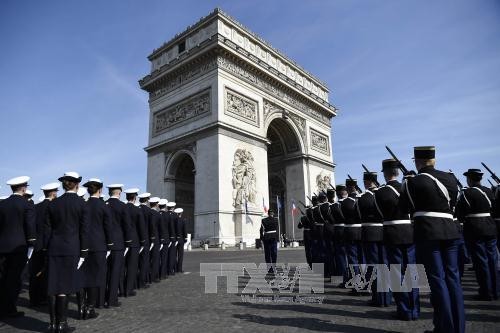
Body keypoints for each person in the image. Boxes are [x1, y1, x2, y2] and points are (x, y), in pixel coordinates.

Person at [400, 146, 464, 333]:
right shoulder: (450, 178)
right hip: (451, 232)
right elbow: (453, 203)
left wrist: (407, 184)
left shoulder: (413, 182)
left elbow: (404, 207)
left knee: (437, 280)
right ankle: (458, 327)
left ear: (417, 162)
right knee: (453, 279)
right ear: (433, 160)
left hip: (428, 233)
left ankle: (445, 328)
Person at [45, 171, 89, 332]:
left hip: (54, 247)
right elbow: (84, 231)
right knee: (63, 286)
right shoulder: (81, 204)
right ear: (77, 184)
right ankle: (61, 324)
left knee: (53, 285)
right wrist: (84, 252)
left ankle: (52, 324)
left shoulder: (53, 204)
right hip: (72, 248)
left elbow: (47, 231)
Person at [376, 159, 419, 318]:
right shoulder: (408, 187)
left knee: (396, 272)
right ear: (398, 172)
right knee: (412, 270)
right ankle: (414, 309)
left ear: (385, 174)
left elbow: (381, 214)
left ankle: (404, 309)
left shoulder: (380, 192)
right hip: (409, 231)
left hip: (392, 232)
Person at [456, 168, 498, 300]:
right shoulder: (488, 191)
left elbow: (460, 213)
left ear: (470, 179)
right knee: (492, 260)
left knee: (481, 261)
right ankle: (495, 290)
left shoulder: (466, 193)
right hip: (490, 226)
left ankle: (486, 292)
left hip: (475, 228)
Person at [0, 176, 36, 318]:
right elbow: (30, 227)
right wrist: (32, 243)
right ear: (23, 188)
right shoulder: (26, 204)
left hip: (3, 246)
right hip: (19, 247)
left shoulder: (3, 204)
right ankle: (10, 308)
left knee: (3, 278)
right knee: (15, 279)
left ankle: (3, 306)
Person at [80, 178, 112, 320]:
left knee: (83, 276)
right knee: (95, 277)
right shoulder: (103, 206)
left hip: (83, 245)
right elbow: (108, 227)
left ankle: (81, 307)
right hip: (99, 245)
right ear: (100, 190)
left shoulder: (84, 205)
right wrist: (110, 244)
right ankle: (90, 308)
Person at [357, 171, 390, 307]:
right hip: (384, 231)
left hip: (370, 233)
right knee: (386, 265)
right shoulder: (384, 193)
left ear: (366, 182)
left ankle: (378, 298)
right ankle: (387, 297)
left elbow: (358, 214)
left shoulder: (363, 198)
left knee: (374, 266)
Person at [29, 182, 59, 307]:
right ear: (53, 193)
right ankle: (44, 297)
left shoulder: (36, 207)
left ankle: (34, 298)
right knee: (47, 273)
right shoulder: (55, 207)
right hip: (50, 243)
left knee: (35, 272)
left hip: (37, 244)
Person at [105, 184, 131, 307]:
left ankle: (102, 297)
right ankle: (112, 299)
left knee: (105, 271)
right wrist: (128, 242)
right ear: (119, 193)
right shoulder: (122, 206)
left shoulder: (104, 204)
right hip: (118, 243)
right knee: (115, 272)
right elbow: (126, 226)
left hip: (103, 242)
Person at [342, 178, 363, 292]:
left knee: (353, 260)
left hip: (350, 232)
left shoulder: (345, 202)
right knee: (362, 259)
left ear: (348, 188)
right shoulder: (362, 198)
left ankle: (357, 285)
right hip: (362, 232)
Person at [124, 188, 145, 296]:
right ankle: (129, 289)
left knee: (123, 266)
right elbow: (141, 227)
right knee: (132, 266)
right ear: (135, 198)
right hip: (134, 242)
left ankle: (121, 288)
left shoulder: (122, 208)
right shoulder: (137, 210)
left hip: (122, 241)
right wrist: (142, 241)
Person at [331, 184, 348, 287]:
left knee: (341, 256)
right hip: (350, 230)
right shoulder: (352, 202)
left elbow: (330, 219)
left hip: (338, 230)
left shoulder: (334, 206)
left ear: (337, 194)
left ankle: (344, 279)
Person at [137, 192, 152, 286]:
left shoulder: (136, 209)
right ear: (147, 200)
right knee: (144, 261)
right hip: (146, 238)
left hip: (136, 239)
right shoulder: (149, 211)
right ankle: (142, 281)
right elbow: (152, 226)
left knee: (136, 262)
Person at [260, 209, 279, 273]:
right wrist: (278, 238)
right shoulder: (276, 220)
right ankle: (274, 267)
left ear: (268, 213)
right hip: (274, 237)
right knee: (274, 253)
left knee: (267, 254)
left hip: (267, 237)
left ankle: (269, 268)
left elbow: (261, 230)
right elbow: (277, 230)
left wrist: (261, 238)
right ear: (273, 213)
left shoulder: (263, 220)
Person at [148, 197, 162, 282]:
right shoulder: (156, 214)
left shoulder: (147, 212)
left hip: (146, 238)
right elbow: (158, 228)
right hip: (155, 239)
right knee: (155, 259)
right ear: (157, 204)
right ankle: (153, 277)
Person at [158, 199, 171, 279]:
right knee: (164, 257)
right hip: (165, 238)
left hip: (157, 238)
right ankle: (162, 274)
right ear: (165, 206)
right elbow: (170, 227)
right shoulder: (167, 215)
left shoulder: (157, 214)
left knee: (156, 258)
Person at [166, 201, 178, 276]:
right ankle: (172, 270)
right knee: (173, 255)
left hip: (166, 237)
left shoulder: (165, 215)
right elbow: (177, 228)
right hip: (173, 238)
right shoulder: (175, 216)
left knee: (166, 255)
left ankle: (166, 269)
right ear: (173, 208)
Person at [174, 207, 187, 273]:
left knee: (174, 255)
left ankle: (175, 268)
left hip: (174, 240)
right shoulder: (183, 220)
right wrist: (185, 238)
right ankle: (179, 269)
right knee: (180, 255)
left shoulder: (173, 220)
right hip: (181, 240)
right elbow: (184, 230)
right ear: (181, 213)